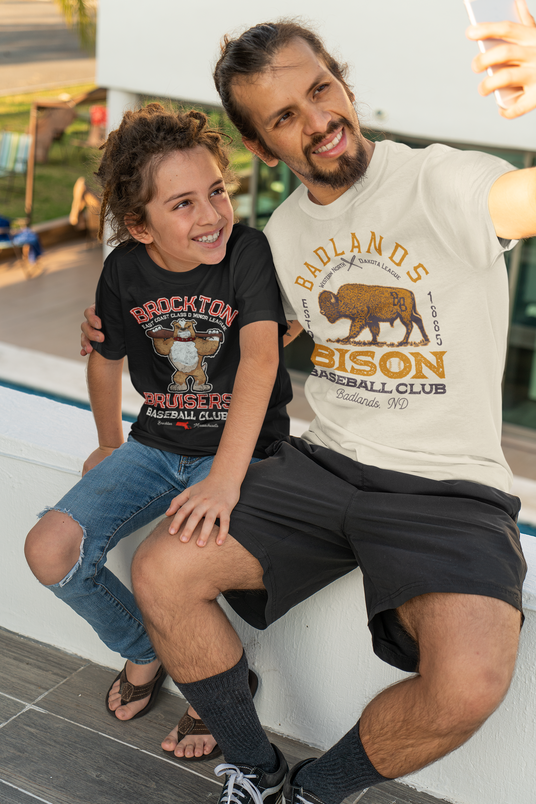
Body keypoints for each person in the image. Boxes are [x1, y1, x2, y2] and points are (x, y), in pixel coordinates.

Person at [81, 9, 536, 804]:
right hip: (320, 464)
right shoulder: (278, 237)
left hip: (449, 485)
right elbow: (212, 322)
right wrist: (113, 323)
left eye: (322, 89)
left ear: (343, 83)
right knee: (161, 570)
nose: (320, 121)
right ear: (262, 147)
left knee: (469, 683)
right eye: (286, 117)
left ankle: (316, 790)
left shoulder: (442, 180)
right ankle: (253, 766)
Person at [24, 103, 292, 762]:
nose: (211, 215)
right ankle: (144, 649)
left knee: (175, 571)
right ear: (141, 225)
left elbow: (260, 357)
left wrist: (225, 482)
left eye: (217, 192)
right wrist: (108, 440)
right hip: (152, 445)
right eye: (183, 204)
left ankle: (213, 690)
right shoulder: (123, 270)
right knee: (50, 550)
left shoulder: (247, 252)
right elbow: (107, 356)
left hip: (239, 453)